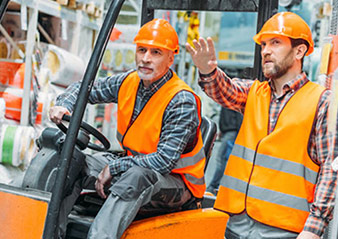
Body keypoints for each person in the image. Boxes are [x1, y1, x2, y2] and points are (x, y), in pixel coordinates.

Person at [49, 18, 206, 239]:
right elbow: (83, 89)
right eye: (142, 50)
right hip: (134, 165)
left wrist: (115, 168)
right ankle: (49, 233)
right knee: (70, 160)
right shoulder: (128, 82)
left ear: (171, 57)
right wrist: (64, 104)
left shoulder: (180, 100)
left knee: (135, 177)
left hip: (176, 184)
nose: (145, 58)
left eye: (155, 53)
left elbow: (163, 161)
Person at [186, 12, 337, 239]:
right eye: (264, 44)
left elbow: (330, 170)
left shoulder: (322, 102)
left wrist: (314, 229)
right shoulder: (253, 93)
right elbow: (223, 89)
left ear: (300, 51)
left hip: (283, 230)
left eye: (275, 43)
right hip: (234, 222)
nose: (265, 50)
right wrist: (208, 70)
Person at [206, 107, 242, 195]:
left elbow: (239, 117)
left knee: (221, 159)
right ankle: (216, 186)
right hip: (229, 131)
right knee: (223, 159)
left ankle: (214, 186)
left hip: (231, 132)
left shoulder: (234, 100)